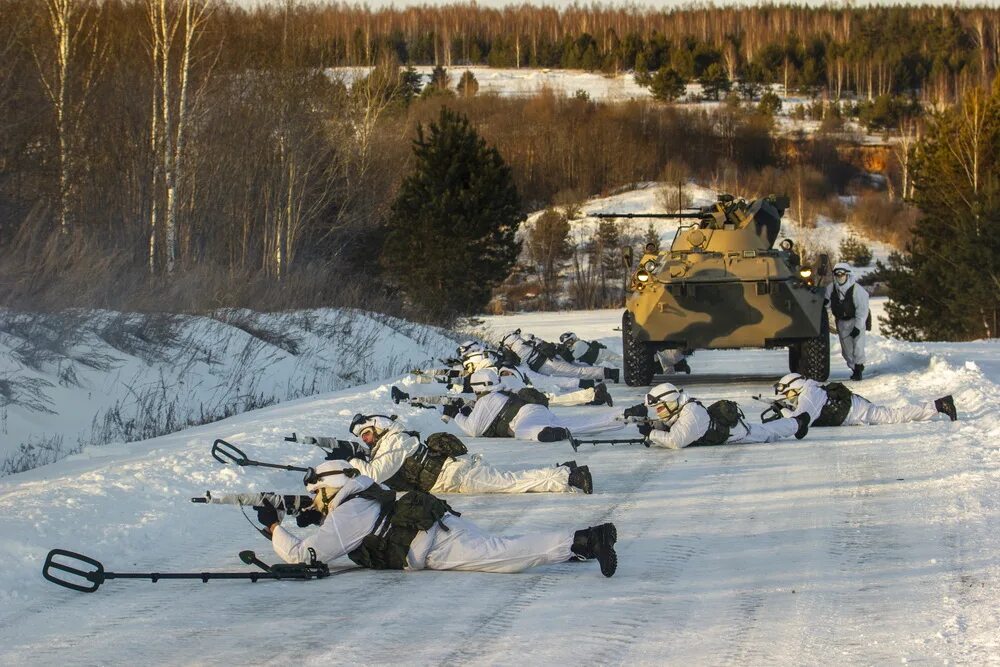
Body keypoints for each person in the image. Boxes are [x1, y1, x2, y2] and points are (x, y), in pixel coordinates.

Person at [259, 460, 619, 577]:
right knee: (504, 549)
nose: (314, 502)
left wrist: (275, 526)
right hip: (440, 525)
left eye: (315, 495)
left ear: (329, 487)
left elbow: (303, 557)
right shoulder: (364, 490)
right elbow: (341, 524)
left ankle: (587, 539)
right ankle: (579, 548)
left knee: (506, 556)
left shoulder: (348, 512)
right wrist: (314, 518)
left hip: (433, 543)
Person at [314, 413, 594, 494]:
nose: (367, 440)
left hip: (455, 476)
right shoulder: (391, 442)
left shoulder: (394, 441)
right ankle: (563, 470)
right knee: (510, 479)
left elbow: (374, 474)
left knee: (511, 483)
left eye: (366, 434)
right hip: (452, 475)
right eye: (362, 438)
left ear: (378, 426)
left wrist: (351, 459)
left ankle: (569, 477)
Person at [449, 368, 621, 442]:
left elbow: (474, 430)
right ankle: (621, 416)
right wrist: (465, 410)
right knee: (572, 425)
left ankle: (545, 433)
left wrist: (455, 414)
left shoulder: (486, 400)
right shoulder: (500, 390)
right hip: (535, 408)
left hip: (526, 414)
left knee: (524, 431)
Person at [623, 382, 810, 449]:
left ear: (671, 402)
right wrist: (656, 428)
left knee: (768, 434)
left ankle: (798, 423)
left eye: (660, 408)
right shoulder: (684, 409)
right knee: (766, 431)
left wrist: (652, 434)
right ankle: (796, 423)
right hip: (727, 431)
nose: (659, 412)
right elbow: (674, 426)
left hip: (736, 434)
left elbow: (676, 440)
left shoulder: (692, 414)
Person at [772, 373, 957, 426]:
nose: (788, 398)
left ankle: (939, 405)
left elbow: (798, 422)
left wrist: (782, 410)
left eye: (787, 394)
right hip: (853, 406)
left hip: (858, 411)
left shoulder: (808, 396)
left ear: (795, 388)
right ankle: (938, 405)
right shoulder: (808, 390)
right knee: (893, 415)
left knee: (894, 416)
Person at [500, 329, 619, 383]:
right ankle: (601, 374)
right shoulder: (524, 339)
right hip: (552, 355)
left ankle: (609, 373)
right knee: (577, 368)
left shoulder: (511, 348)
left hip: (546, 365)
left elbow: (517, 364)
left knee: (577, 372)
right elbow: (538, 341)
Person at [826, 262, 871, 380]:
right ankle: (853, 367)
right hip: (841, 322)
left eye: (842, 274)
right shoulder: (831, 288)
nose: (840, 276)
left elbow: (862, 310)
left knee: (858, 347)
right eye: (837, 274)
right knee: (847, 350)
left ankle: (858, 368)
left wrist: (858, 326)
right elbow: (826, 303)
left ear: (847, 275)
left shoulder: (857, 290)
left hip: (856, 320)